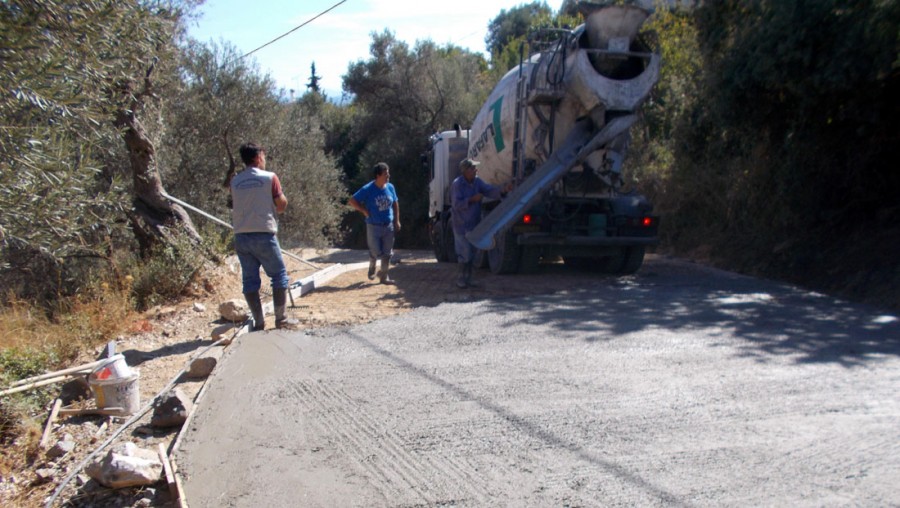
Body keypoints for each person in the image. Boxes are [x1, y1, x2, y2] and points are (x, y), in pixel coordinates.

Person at [230, 142, 298, 330]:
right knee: (279, 276)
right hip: (264, 233)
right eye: (264, 157)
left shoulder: (235, 181)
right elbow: (281, 204)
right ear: (258, 157)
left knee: (250, 279)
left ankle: (258, 322)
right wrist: (278, 205)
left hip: (241, 236)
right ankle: (281, 320)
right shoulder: (270, 178)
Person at [450, 158, 510, 288]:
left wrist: (502, 190)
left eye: (475, 168)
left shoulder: (477, 182)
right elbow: (456, 204)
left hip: (475, 224)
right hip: (461, 225)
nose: (475, 170)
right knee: (464, 252)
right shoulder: (457, 184)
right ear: (465, 171)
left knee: (474, 252)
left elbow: (489, 190)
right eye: (472, 168)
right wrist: (472, 199)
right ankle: (461, 278)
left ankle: (470, 278)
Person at [349, 162, 401, 284]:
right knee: (375, 251)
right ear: (378, 175)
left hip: (388, 225)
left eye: (388, 174)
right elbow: (352, 201)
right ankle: (372, 267)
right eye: (385, 174)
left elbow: (395, 203)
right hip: (373, 226)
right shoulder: (368, 189)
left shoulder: (390, 187)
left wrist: (397, 220)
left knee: (387, 253)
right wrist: (364, 210)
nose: (388, 176)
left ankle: (384, 277)